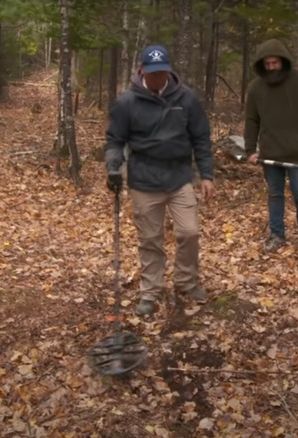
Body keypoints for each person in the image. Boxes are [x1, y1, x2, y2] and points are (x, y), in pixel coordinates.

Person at [104, 44, 215, 316]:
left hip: (179, 177)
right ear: (142, 70)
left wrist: (207, 175)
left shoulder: (186, 99)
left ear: (169, 70)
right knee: (150, 239)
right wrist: (113, 168)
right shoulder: (127, 103)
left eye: (162, 73)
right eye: (153, 73)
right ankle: (150, 291)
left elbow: (201, 138)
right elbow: (115, 141)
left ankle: (186, 282)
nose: (158, 78)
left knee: (189, 232)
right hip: (144, 180)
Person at [244, 39, 298, 251]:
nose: (271, 67)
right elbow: (251, 120)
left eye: (275, 63)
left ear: (283, 61)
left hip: (297, 152)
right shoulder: (256, 88)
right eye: (267, 64)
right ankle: (277, 235)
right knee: (275, 194)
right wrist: (250, 150)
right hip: (270, 152)